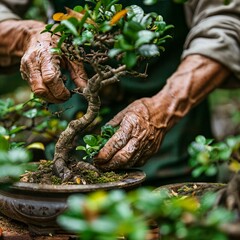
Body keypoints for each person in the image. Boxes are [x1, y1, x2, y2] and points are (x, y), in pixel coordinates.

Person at [0, 0, 239, 186]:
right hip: (71, 118)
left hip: (173, 143)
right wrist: (29, 34)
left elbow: (226, 22)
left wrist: (164, 106)